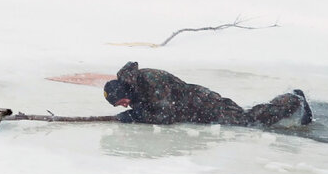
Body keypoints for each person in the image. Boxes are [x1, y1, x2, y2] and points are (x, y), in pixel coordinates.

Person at [104, 62, 313, 126]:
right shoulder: (135, 88)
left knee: (246, 120)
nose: (124, 106)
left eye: (122, 102)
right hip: (192, 110)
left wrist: (138, 116)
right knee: (245, 117)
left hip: (203, 103)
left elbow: (166, 115)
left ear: (124, 92)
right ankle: (288, 101)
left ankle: (292, 100)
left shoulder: (152, 81)